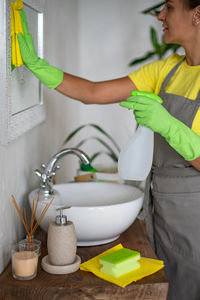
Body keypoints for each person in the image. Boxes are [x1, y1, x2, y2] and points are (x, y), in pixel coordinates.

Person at [17, 1, 200, 299]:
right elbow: (92, 92)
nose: (160, 15)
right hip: (162, 208)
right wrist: (40, 67)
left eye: (169, 6)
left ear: (197, 13)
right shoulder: (167, 70)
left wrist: (170, 126)